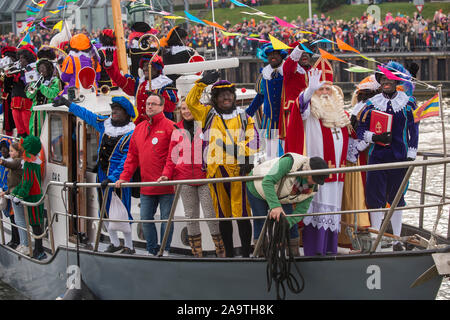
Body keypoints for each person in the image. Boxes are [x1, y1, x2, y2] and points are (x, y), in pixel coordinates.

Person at [185, 71, 259, 258]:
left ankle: (245, 254)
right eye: (222, 95)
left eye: (229, 94)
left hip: (238, 171)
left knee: (242, 215)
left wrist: (243, 156)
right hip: (216, 172)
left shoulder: (244, 118)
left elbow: (254, 141)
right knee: (223, 216)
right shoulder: (207, 115)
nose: (227, 97)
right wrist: (201, 83)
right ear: (215, 99)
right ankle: (228, 255)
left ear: (234, 97)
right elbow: (191, 102)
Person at [52, 95, 136, 254]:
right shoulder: (105, 124)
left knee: (123, 210)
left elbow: (127, 159)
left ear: (126, 113)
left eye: (117, 110)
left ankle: (130, 246)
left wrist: (114, 177)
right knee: (103, 209)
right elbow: (87, 115)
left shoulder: (131, 133)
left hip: (120, 177)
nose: (114, 112)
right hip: (102, 174)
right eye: (113, 109)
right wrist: (67, 103)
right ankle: (114, 242)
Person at [357, 61, 419, 251]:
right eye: (383, 78)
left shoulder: (408, 102)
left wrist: (412, 152)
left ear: (395, 81)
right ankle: (376, 237)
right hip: (377, 156)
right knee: (375, 197)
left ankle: (397, 238)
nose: (386, 82)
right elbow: (360, 126)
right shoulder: (372, 104)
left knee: (397, 197)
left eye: (389, 79)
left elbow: (414, 129)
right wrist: (373, 137)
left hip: (400, 156)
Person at [297, 58, 351, 256]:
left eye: (328, 89)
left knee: (334, 211)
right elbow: (300, 108)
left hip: (338, 173)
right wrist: (310, 91)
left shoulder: (341, 113)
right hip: (319, 173)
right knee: (318, 210)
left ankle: (330, 248)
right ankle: (315, 250)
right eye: (321, 90)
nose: (325, 93)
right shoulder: (311, 111)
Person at [158, 100, 225, 258]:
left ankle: (221, 251)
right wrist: (167, 174)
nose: (186, 111)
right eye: (183, 108)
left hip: (205, 178)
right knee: (191, 217)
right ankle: (197, 253)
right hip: (185, 178)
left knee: (210, 215)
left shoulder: (206, 125)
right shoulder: (177, 129)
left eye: (188, 107)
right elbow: (171, 156)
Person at [115, 93, 175, 256]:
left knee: (166, 220)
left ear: (162, 107)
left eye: (154, 104)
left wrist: (167, 175)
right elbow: (132, 157)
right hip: (146, 185)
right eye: (148, 104)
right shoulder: (139, 129)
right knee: (146, 219)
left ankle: (165, 250)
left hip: (166, 185)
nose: (150, 106)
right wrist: (124, 177)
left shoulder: (171, 127)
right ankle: (152, 250)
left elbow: (173, 156)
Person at [247, 153, 328, 256]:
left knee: (289, 220)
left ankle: (293, 255)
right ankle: (261, 255)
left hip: (282, 194)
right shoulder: (289, 162)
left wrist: (286, 224)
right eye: (315, 179)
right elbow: (267, 182)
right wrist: (275, 206)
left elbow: (301, 210)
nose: (315, 183)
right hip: (256, 186)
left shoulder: (314, 187)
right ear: (308, 171)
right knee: (261, 220)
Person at [338, 75, 380, 249]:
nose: (362, 96)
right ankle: (362, 228)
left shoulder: (370, 109)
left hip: (367, 155)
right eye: (362, 93)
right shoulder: (357, 109)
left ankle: (369, 228)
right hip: (358, 156)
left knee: (371, 192)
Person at [103, 51, 178, 123]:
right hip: (140, 124)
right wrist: (110, 65)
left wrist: (155, 99)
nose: (145, 68)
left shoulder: (165, 84)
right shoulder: (139, 83)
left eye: (148, 66)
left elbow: (171, 107)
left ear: (157, 68)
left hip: (159, 125)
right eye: (144, 66)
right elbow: (119, 80)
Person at [246, 43, 287, 160]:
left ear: (281, 55)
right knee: (271, 155)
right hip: (269, 119)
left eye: (275, 53)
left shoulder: (288, 70)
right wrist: (248, 113)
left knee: (288, 153)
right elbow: (260, 96)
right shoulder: (265, 73)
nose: (272, 57)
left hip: (285, 118)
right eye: (270, 54)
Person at [10, 135, 46, 260]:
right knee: (34, 223)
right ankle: (38, 248)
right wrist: (16, 193)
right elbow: (24, 182)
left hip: (33, 197)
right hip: (32, 195)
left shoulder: (30, 164)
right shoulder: (31, 161)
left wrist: (19, 195)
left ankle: (39, 249)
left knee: (36, 224)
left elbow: (28, 182)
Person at [281, 42, 315, 154]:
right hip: (294, 111)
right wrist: (299, 48)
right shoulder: (290, 70)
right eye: (301, 53)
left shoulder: (313, 71)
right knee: (295, 143)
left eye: (307, 53)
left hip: (313, 112)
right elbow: (288, 65)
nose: (304, 55)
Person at [0, 141, 27, 254]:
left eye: (11, 151)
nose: (9, 153)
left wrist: (1, 161)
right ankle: (22, 243)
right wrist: (6, 191)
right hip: (13, 193)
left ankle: (24, 244)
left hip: (17, 195)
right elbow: (13, 182)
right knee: (17, 219)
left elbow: (9, 164)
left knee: (20, 220)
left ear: (18, 152)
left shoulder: (18, 161)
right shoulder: (17, 162)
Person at [26, 55, 63, 137]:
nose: (41, 70)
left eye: (43, 68)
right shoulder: (37, 80)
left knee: (47, 134)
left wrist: (41, 86)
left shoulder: (55, 81)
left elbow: (53, 94)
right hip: (36, 112)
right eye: (40, 68)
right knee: (34, 132)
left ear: (49, 69)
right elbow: (29, 95)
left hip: (48, 112)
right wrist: (33, 86)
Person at [10, 44, 37, 137]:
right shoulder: (17, 68)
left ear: (28, 58)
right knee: (19, 127)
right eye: (20, 58)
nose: (20, 60)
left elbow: (31, 84)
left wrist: (22, 74)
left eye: (22, 58)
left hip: (26, 101)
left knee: (27, 126)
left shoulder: (32, 68)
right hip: (15, 100)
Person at [0, 138, 20, 249]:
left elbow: (14, 179)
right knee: (11, 218)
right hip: (5, 192)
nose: (3, 151)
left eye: (6, 149)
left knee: (14, 218)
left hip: (11, 192)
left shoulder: (13, 163)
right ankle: (14, 238)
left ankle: (16, 240)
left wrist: (6, 190)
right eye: (1, 149)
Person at [0, 46, 17, 136]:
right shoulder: (3, 70)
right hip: (6, 96)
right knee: (7, 119)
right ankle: (8, 136)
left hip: (15, 95)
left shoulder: (17, 68)